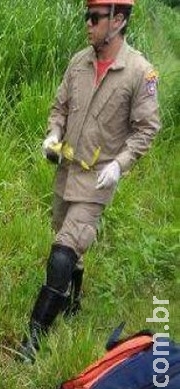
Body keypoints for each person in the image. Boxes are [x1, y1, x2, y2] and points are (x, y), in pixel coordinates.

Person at [18, 0, 160, 361]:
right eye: (88, 16)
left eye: (95, 18)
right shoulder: (78, 62)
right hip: (67, 172)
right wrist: (53, 133)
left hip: (98, 181)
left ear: (119, 20)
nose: (88, 24)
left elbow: (147, 128)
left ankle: (33, 338)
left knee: (63, 251)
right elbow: (60, 107)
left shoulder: (139, 72)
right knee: (67, 237)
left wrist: (121, 164)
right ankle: (72, 303)